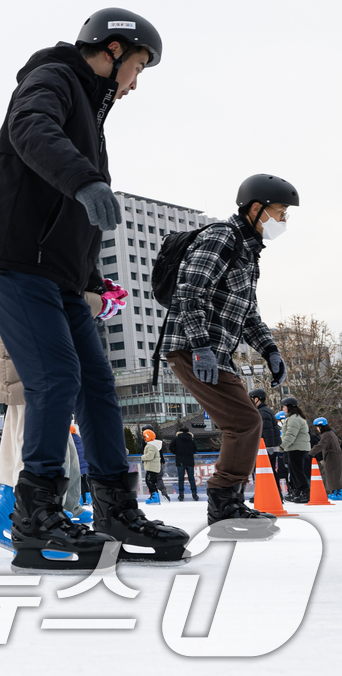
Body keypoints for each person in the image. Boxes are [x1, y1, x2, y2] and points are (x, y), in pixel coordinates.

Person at [0, 9, 188, 571]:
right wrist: (86, 179)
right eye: (136, 68)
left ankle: (115, 507)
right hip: (14, 259)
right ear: (111, 51)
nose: (134, 85)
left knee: (97, 385)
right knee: (55, 377)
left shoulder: (91, 112)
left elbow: (69, 216)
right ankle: (36, 518)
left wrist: (91, 277)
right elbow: (30, 130)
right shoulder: (52, 78)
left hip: (58, 273)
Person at [157, 174, 296, 535]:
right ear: (256, 208)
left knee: (243, 422)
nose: (282, 222)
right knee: (244, 422)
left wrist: (270, 350)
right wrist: (200, 345)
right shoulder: (222, 237)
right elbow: (189, 291)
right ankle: (224, 504)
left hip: (216, 352)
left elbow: (247, 313)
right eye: (279, 213)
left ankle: (228, 502)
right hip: (193, 348)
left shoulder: (249, 253)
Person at [249, 388, 283, 503]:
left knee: (265, 472)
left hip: (266, 449)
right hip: (268, 448)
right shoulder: (265, 411)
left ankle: (267, 494)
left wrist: (267, 448)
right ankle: (273, 494)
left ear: (257, 399)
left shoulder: (262, 412)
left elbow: (266, 431)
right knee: (270, 472)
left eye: (251, 399)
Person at [281, 398, 311, 503]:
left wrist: (282, 446)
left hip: (297, 448)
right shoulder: (292, 418)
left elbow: (290, 435)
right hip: (293, 447)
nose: (283, 408)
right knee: (294, 471)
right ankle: (297, 491)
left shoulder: (294, 419)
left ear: (289, 407)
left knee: (297, 471)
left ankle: (305, 492)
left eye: (284, 406)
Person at [309, 419, 341, 498]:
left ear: (320, 427)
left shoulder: (326, 434)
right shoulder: (331, 433)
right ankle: (337, 491)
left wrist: (311, 453)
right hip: (335, 456)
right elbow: (339, 441)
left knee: (333, 475)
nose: (317, 429)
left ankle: (339, 492)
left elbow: (321, 445)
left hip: (332, 457)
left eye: (317, 427)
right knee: (336, 475)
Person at [171, 428, 198, 502]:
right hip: (190, 461)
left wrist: (176, 452)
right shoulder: (191, 440)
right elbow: (195, 450)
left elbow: (170, 447)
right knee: (191, 478)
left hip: (180, 461)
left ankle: (181, 494)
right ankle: (194, 493)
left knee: (181, 479)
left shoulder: (176, 439)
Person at [141, 430, 164, 505]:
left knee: (149, 481)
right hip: (153, 467)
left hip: (152, 467)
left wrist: (143, 457)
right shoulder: (152, 445)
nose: (144, 439)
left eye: (145, 437)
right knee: (151, 482)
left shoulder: (150, 445)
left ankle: (154, 497)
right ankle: (155, 496)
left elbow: (150, 456)